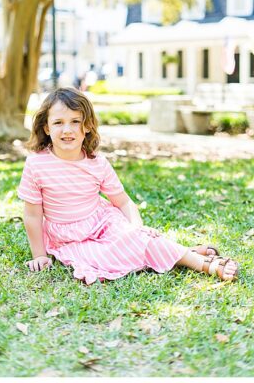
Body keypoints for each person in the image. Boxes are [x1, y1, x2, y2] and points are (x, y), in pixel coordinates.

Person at [18, 87, 239, 284]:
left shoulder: (97, 163)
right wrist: (39, 255)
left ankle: (202, 264)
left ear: (86, 126)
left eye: (75, 121)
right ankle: (184, 253)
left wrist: (136, 227)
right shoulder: (37, 164)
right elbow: (33, 216)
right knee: (104, 258)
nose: (67, 130)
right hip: (67, 236)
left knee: (134, 238)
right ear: (46, 128)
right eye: (58, 122)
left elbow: (123, 201)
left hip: (102, 223)